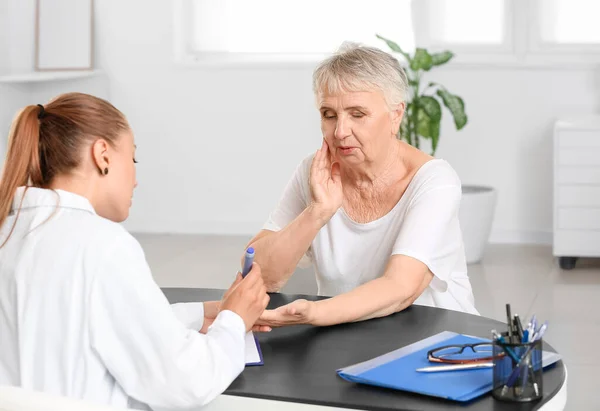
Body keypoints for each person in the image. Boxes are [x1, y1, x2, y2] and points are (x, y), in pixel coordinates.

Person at [0, 93, 270, 410]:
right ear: (102, 154)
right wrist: (233, 321)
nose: (137, 180)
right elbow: (186, 383)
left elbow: (78, 325)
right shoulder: (102, 245)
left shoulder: (13, 231)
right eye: (133, 159)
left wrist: (201, 313)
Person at [247, 43, 478, 328]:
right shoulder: (314, 172)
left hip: (438, 344)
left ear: (396, 116)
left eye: (358, 114)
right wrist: (316, 213)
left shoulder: (434, 181)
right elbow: (260, 276)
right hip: (346, 337)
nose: (341, 132)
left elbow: (401, 287)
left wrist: (314, 314)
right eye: (329, 115)